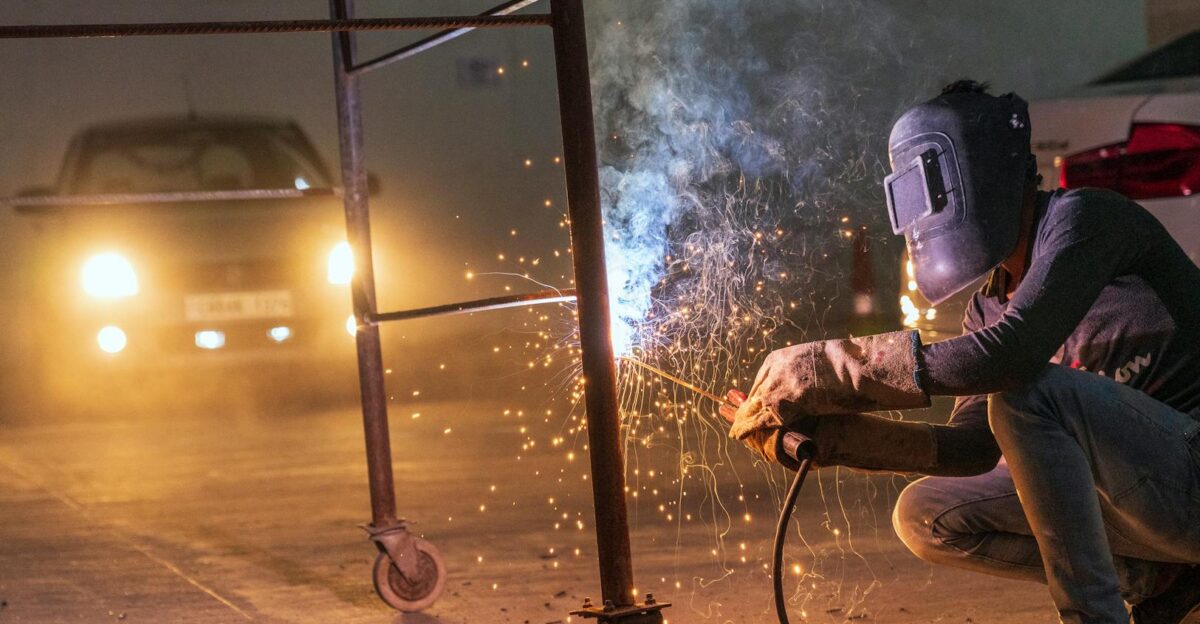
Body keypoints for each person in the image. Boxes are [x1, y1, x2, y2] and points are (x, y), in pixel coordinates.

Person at [725, 80, 1200, 624]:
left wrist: (829, 369)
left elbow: (1010, 356)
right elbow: (975, 449)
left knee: (1030, 394)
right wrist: (830, 439)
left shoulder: (1088, 220)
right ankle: (1158, 580)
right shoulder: (986, 309)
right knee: (925, 513)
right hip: (1140, 510)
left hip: (1192, 474)